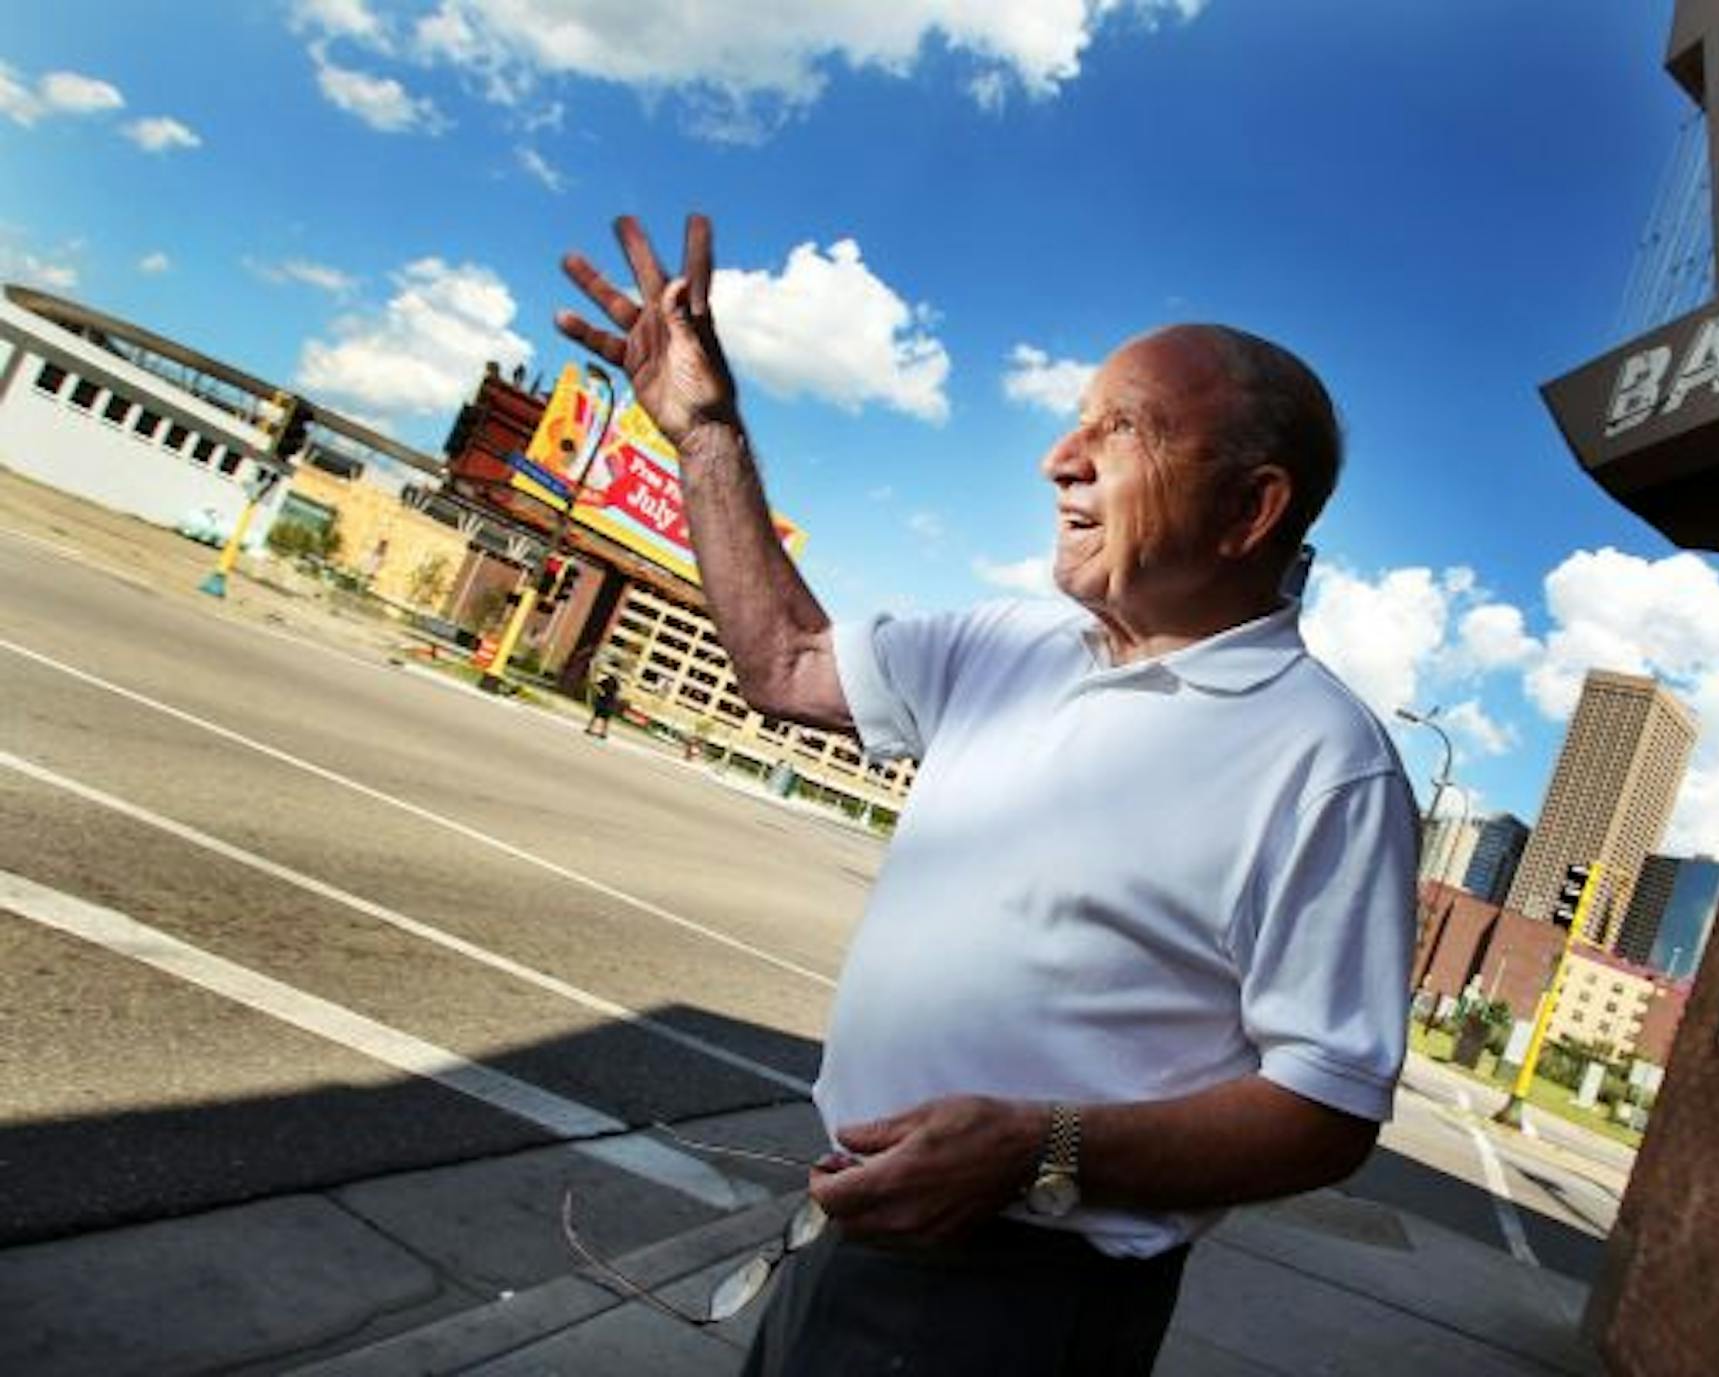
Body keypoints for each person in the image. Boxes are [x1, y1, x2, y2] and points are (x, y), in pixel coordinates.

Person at [556, 215, 1417, 1375]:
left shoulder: (1325, 763)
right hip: (849, 1238)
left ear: (1250, 510)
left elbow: (1327, 1111)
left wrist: (1036, 1145)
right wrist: (704, 430)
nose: (1061, 458)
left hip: (1014, 1307)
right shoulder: (1007, 645)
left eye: (1123, 430)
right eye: (1076, 419)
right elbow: (784, 663)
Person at [585, 668, 621, 739]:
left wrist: (600, 691)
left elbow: (597, 685)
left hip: (605, 702)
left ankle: (592, 729)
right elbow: (617, 694)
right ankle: (602, 733)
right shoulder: (613, 683)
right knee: (604, 719)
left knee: (597, 716)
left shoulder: (608, 681)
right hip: (609, 703)